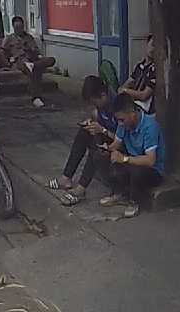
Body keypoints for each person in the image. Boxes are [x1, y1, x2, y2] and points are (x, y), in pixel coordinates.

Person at [47, 76, 117, 205]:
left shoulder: (117, 106)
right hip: (105, 133)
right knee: (84, 133)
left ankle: (81, 189)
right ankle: (66, 177)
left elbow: (123, 138)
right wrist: (92, 123)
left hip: (117, 143)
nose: (94, 106)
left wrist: (102, 130)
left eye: (95, 102)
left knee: (97, 145)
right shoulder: (103, 104)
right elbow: (98, 116)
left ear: (103, 96)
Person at [99, 94, 166, 216]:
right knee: (104, 158)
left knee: (136, 171)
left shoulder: (150, 127)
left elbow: (150, 160)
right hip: (132, 161)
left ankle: (134, 202)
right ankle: (119, 193)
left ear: (133, 114)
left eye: (122, 120)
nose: (120, 123)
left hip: (152, 170)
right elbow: (116, 144)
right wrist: (107, 149)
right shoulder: (123, 124)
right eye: (118, 120)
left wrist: (124, 159)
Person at [1, 16, 56, 107]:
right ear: (13, 27)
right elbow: (2, 53)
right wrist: (8, 63)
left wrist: (36, 54)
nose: (19, 29)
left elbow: (36, 51)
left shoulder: (29, 37)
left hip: (32, 60)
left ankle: (33, 65)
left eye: (21, 27)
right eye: (17, 27)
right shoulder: (9, 38)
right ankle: (36, 97)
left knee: (51, 60)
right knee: (34, 70)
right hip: (19, 61)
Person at [119, 34, 157, 114]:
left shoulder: (155, 69)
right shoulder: (139, 66)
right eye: (152, 45)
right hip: (133, 105)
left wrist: (125, 91)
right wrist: (123, 89)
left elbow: (144, 95)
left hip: (145, 110)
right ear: (147, 44)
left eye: (156, 47)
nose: (153, 49)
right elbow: (128, 83)